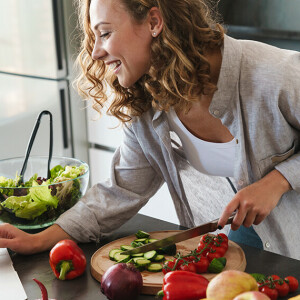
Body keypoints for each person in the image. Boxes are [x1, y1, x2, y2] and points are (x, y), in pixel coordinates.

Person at [0, 0, 300, 260]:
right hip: (246, 247)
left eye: (104, 33)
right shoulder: (148, 103)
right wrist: (38, 240)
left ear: (154, 22)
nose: (95, 53)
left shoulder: (275, 75)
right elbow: (121, 190)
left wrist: (277, 182)